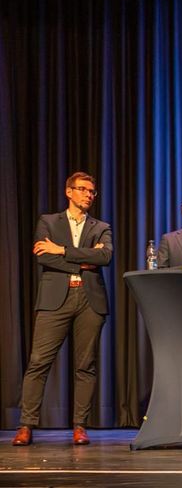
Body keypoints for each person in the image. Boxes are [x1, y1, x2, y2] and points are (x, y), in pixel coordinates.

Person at [12, 172, 113, 447]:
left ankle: (80, 426)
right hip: (55, 299)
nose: (88, 195)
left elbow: (104, 256)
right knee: (38, 362)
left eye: (92, 191)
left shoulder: (101, 226)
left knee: (85, 366)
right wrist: (81, 260)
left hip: (89, 300)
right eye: (82, 189)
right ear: (69, 192)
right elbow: (41, 255)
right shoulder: (48, 221)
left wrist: (62, 250)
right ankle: (26, 425)